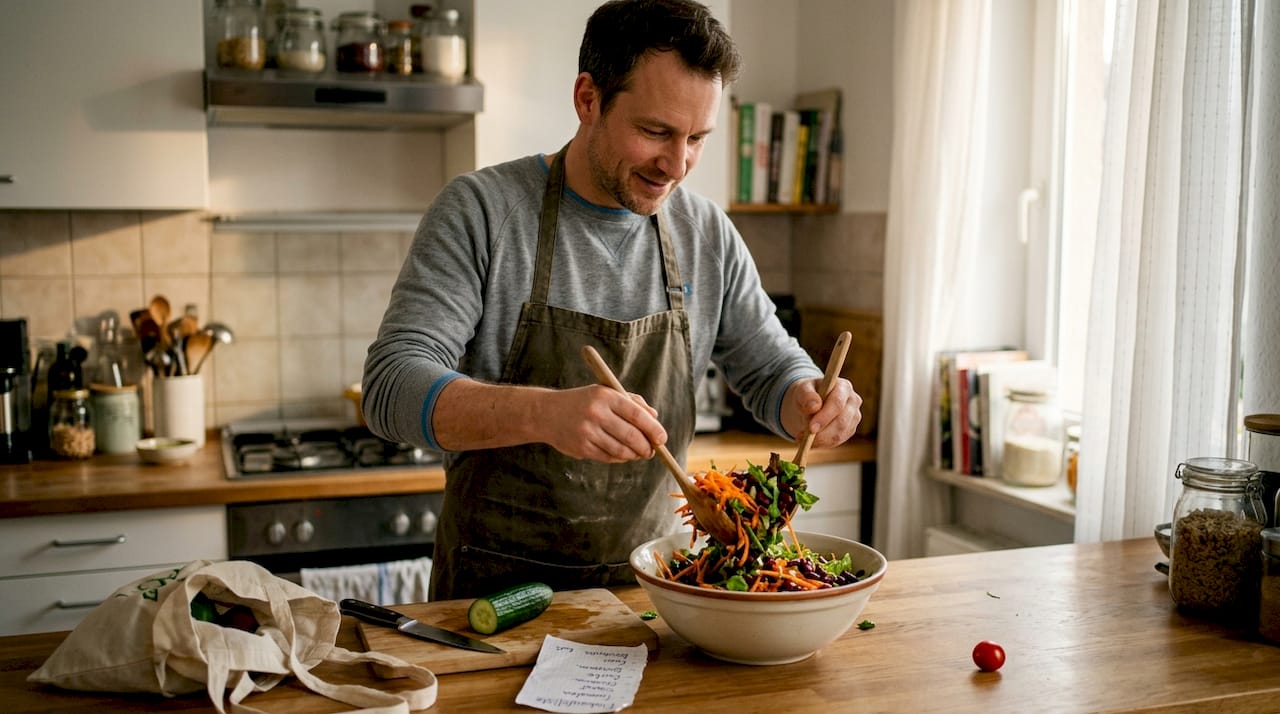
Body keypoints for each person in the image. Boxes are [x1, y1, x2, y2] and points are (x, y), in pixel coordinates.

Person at [362, 0, 863, 601]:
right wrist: (545, 414)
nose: (676, 165)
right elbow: (389, 389)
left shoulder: (705, 232)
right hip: (494, 599)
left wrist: (809, 397)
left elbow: (770, 369)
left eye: (696, 138)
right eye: (655, 132)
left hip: (659, 595)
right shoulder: (482, 211)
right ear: (587, 99)